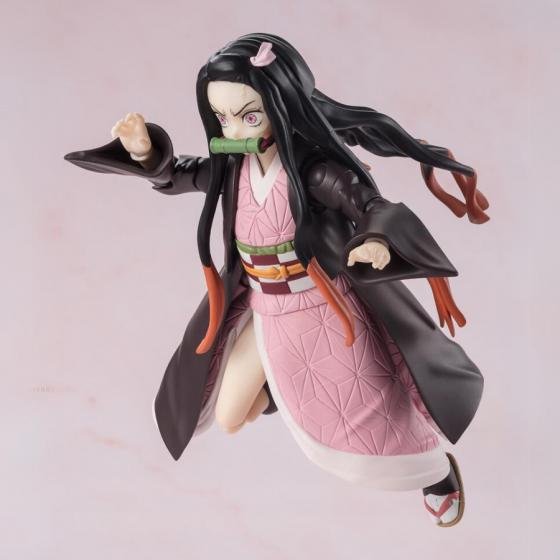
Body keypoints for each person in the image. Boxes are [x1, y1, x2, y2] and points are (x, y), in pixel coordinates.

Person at [65, 33, 488, 527]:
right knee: (230, 415)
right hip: (265, 311)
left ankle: (435, 473)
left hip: (326, 310)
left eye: (248, 116)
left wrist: (373, 239)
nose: (233, 129)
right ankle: (282, 391)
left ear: (280, 104)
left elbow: (369, 204)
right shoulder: (232, 170)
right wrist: (145, 153)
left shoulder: (311, 173)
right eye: (222, 118)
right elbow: (177, 175)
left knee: (372, 411)